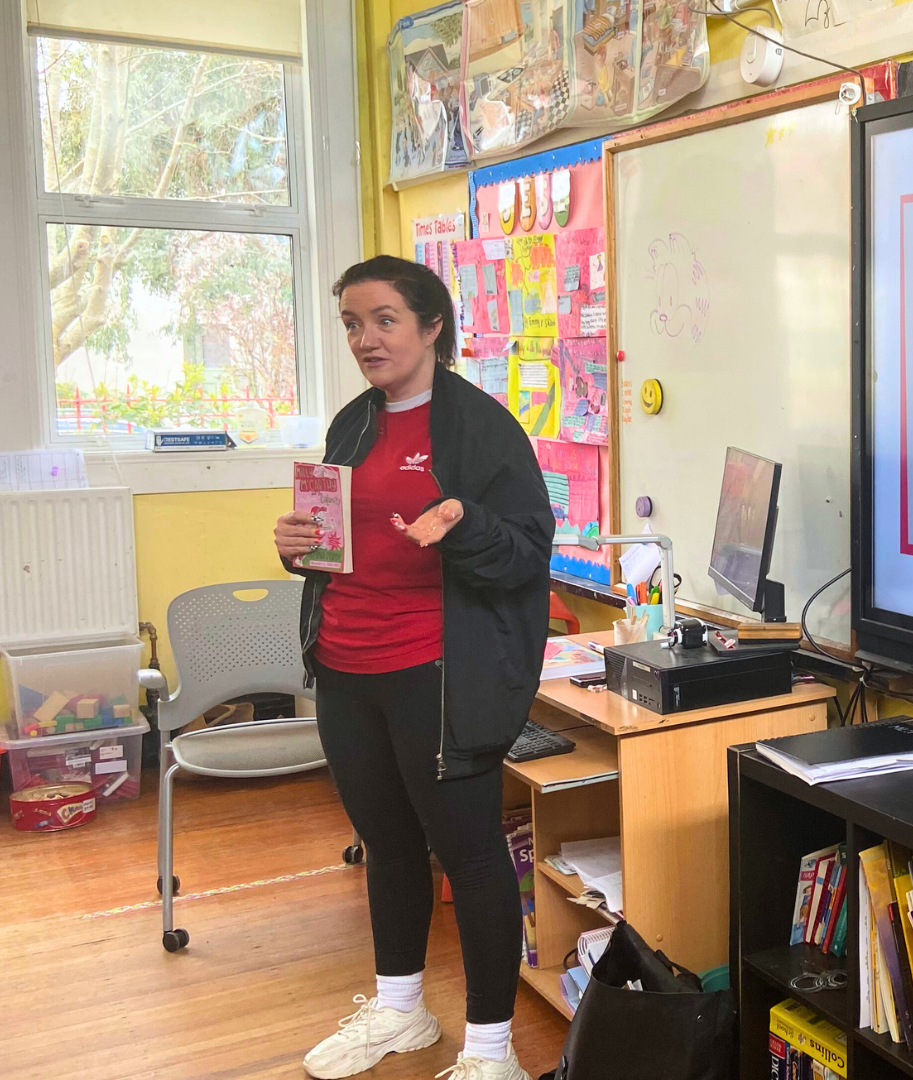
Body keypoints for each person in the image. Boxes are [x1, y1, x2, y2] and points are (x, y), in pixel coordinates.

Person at [274, 256, 555, 1080]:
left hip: (436, 674)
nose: (366, 339)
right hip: (344, 666)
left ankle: (492, 1052)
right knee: (387, 844)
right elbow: (335, 542)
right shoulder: (352, 424)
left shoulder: (480, 428)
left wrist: (464, 522)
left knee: (469, 855)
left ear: (433, 327)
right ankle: (401, 1011)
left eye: (384, 319)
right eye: (352, 324)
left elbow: (526, 554)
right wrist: (295, 549)